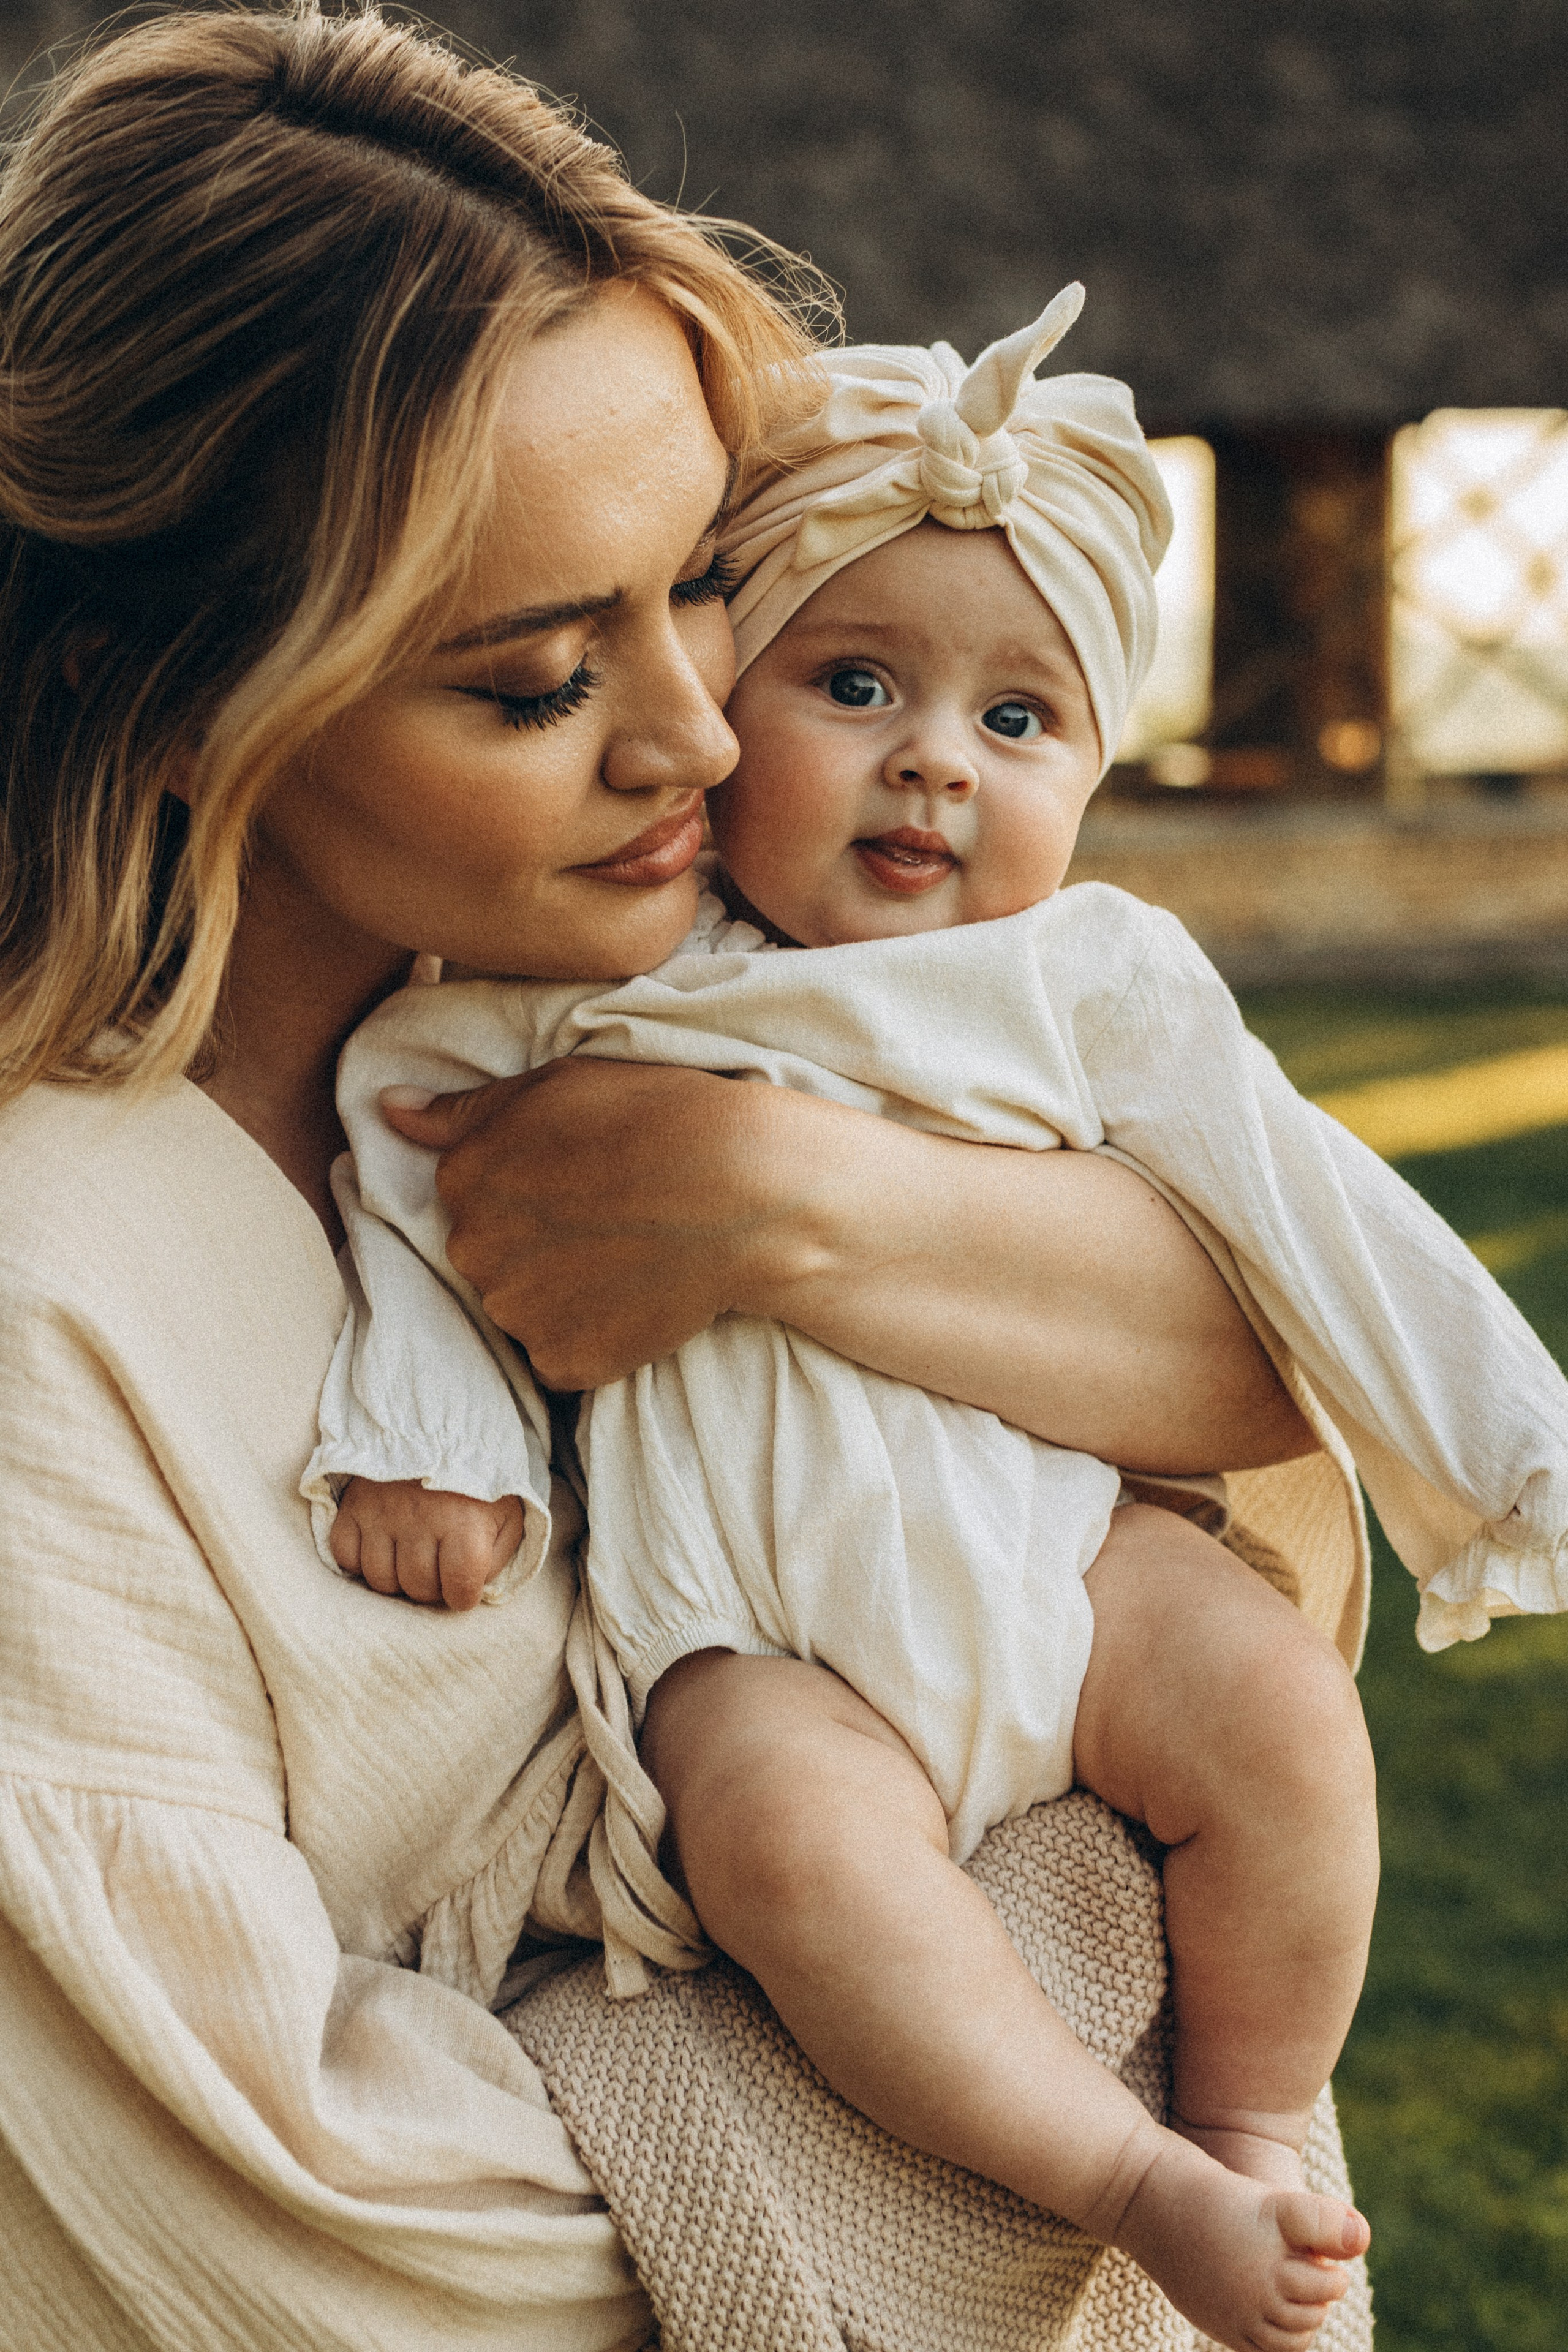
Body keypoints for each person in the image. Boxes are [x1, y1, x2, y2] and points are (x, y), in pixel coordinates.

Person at [0, 10, 1338, 2348]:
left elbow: (1270, 1374)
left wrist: (773, 1202)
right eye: (533, 678)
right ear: (180, 694)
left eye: (696, 584)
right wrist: (1054, 2000)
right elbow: (294, 2228)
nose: (706, 731)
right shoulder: (50, 1297)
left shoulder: (656, 1012)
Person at [312, 293, 1568, 2351]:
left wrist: (1503, 1448)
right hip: (756, 1632)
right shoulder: (606, 979)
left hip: (1070, 1558)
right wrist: (434, 1423)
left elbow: (1309, 1212)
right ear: (732, 706)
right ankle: (1115, 2172)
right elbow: (410, 1146)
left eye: (1017, 722)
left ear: (1097, 766)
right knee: (789, 1850)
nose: (930, 761)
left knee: (1281, 1721)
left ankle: (1248, 2121)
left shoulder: (1095, 981)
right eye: (857, 682)